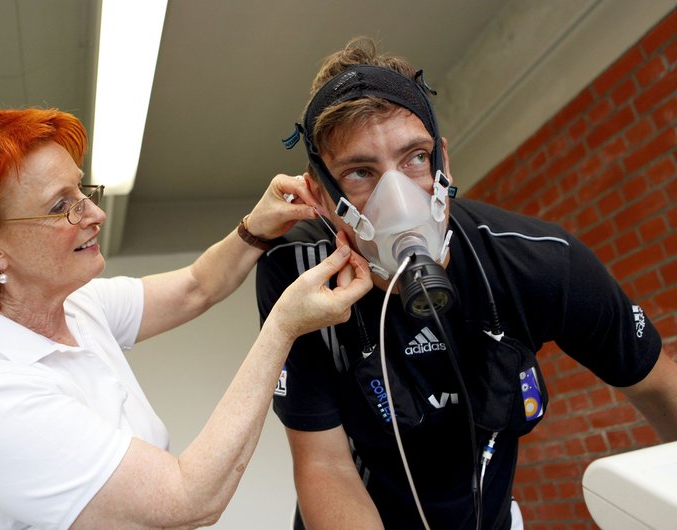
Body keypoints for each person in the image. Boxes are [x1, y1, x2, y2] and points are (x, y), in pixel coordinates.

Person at [256, 37, 677, 530]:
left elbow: (659, 387)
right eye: (360, 172)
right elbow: (323, 465)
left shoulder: (537, 260)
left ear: (443, 164)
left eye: (415, 158)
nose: (399, 197)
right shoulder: (300, 277)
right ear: (321, 196)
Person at [0, 107, 372, 529]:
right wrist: (282, 327)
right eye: (61, 207)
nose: (94, 214)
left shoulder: (77, 306)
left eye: (81, 190)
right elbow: (187, 499)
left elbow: (196, 286)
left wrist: (255, 228)